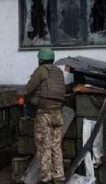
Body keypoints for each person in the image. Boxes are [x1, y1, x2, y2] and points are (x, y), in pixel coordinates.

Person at [25, 48, 65, 184]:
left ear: (41, 59)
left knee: (44, 146)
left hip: (44, 114)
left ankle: (46, 178)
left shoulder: (41, 70)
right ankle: (59, 177)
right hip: (57, 113)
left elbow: (28, 89)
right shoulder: (59, 72)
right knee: (56, 146)